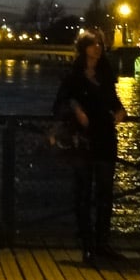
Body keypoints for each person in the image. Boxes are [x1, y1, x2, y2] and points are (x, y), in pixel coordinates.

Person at [51, 29, 126, 263]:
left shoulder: (105, 73)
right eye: (93, 44)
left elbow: (113, 100)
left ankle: (102, 242)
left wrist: (121, 110)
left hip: (104, 136)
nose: (97, 48)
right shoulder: (73, 76)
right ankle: (87, 244)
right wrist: (76, 109)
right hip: (82, 139)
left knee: (105, 193)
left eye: (100, 44)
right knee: (83, 192)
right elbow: (60, 102)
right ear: (84, 48)